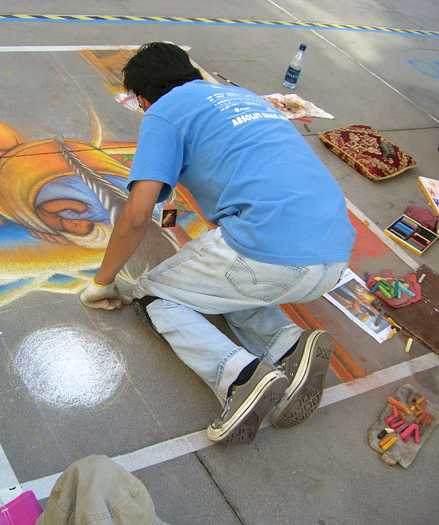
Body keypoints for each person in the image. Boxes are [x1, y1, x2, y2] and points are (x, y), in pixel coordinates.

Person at [79, 42, 355, 444]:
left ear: (141, 98)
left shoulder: (163, 113)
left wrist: (102, 283)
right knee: (226, 278)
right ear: (189, 71)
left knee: (154, 295)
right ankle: (288, 345)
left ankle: (240, 379)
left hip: (269, 251)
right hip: (333, 254)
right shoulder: (242, 97)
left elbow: (136, 216)